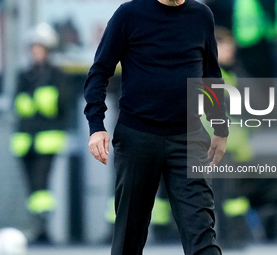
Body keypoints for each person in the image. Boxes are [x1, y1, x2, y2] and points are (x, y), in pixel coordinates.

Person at [84, 0, 229, 254]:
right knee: (130, 237)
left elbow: (211, 74)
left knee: (202, 236)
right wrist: (96, 125)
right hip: (137, 138)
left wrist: (220, 126)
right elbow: (100, 71)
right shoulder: (129, 14)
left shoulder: (201, 15)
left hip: (190, 139)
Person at [11, 23, 68, 243]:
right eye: (34, 48)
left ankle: (43, 227)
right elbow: (19, 105)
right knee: (33, 187)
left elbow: (61, 105)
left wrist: (38, 102)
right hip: (25, 140)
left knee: (41, 182)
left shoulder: (56, 75)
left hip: (48, 139)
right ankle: (38, 225)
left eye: (40, 48)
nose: (36, 52)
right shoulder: (24, 76)